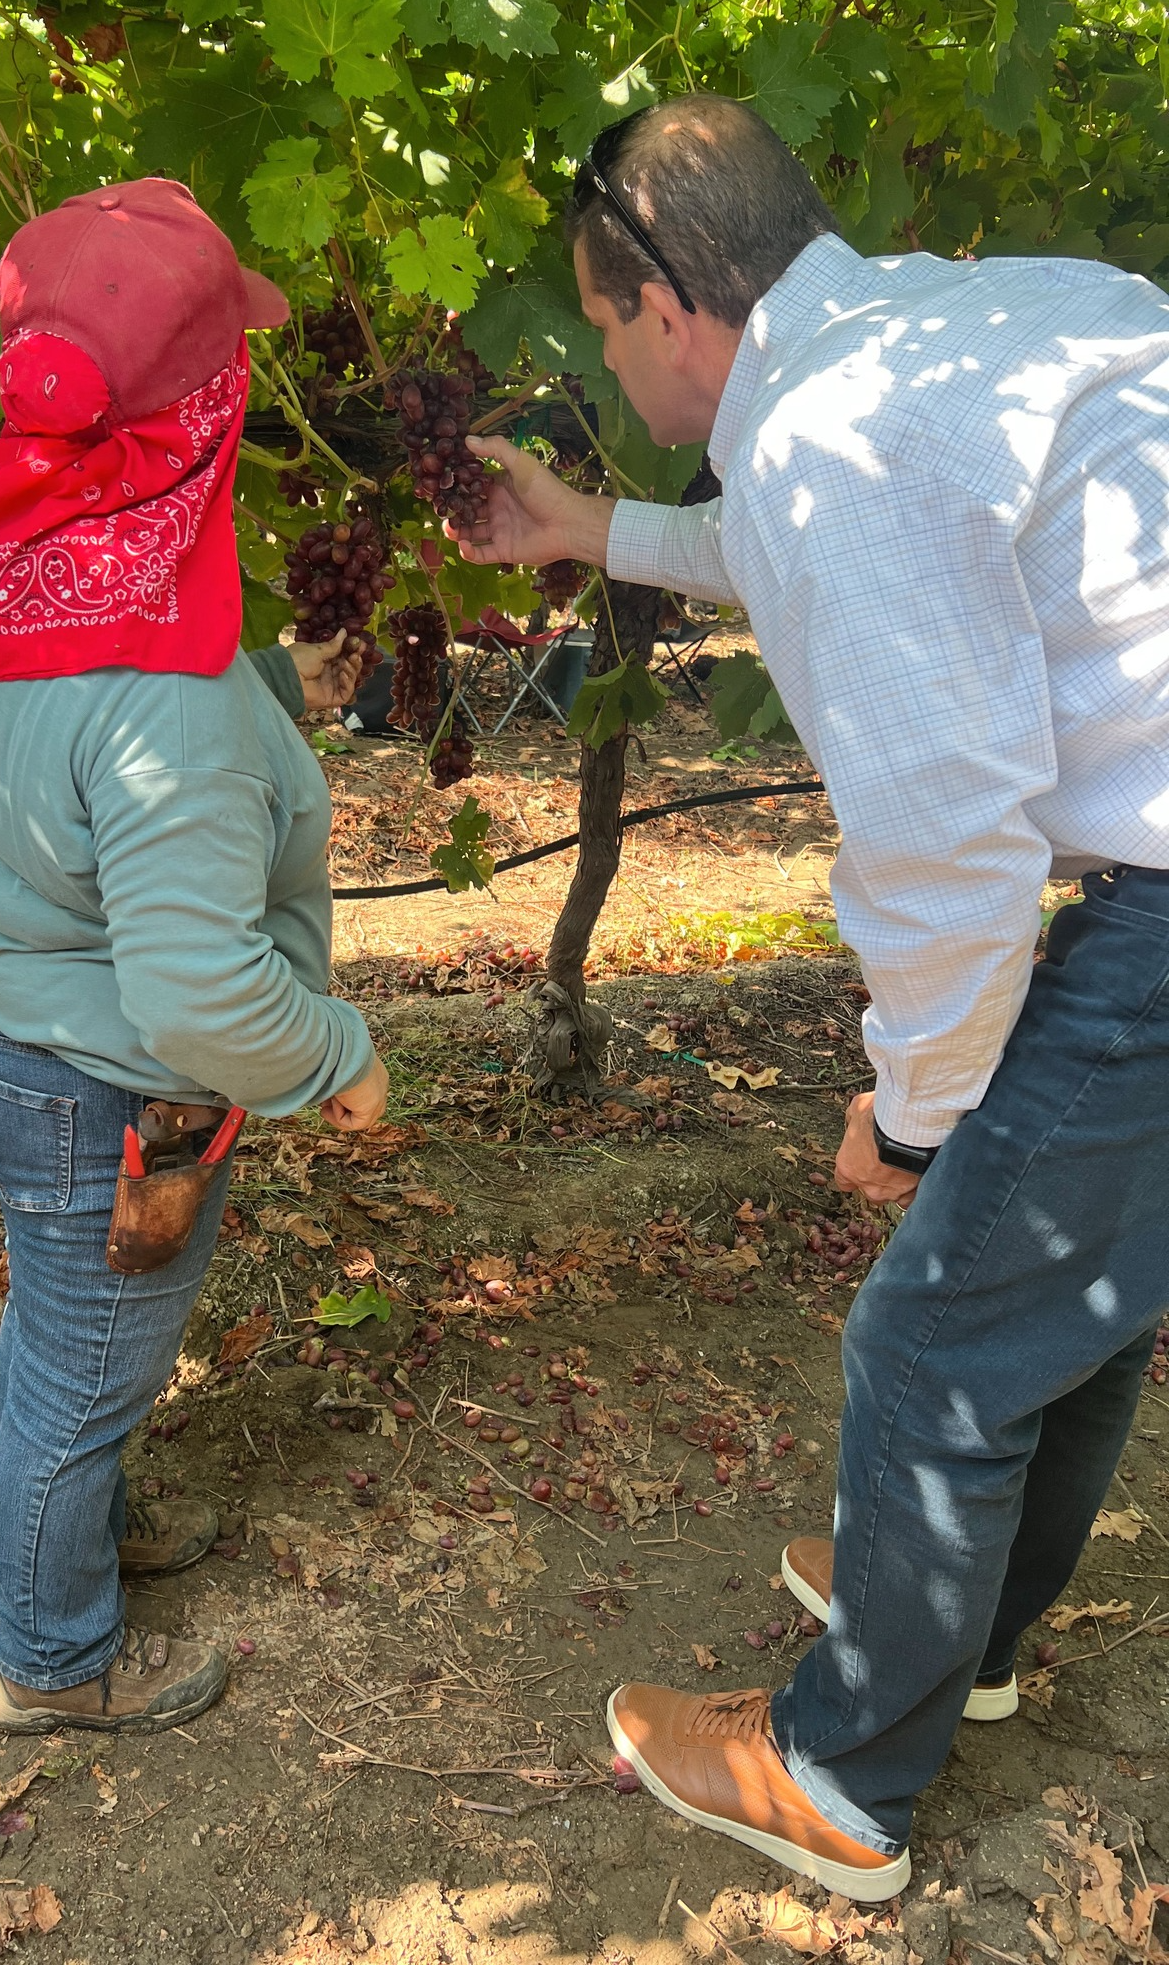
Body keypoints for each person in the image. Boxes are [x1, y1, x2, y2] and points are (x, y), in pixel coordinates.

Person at [452, 94, 1169, 1900]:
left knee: (930, 1333)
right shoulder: (977, 321)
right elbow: (825, 538)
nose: (606, 366)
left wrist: (926, 1109)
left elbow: (948, 839)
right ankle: (970, 1631)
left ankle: (846, 1772)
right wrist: (593, 530)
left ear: (669, 305)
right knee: (1069, 1288)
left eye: (601, 325)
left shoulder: (832, 438)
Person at [0, 179, 388, 1736]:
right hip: (104, 1082)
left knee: (59, 1323)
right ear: (207, 413)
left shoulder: (1, 539)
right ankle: (51, 1660)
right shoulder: (161, 702)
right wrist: (340, 1060)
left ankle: (74, 1523)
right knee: (88, 1364)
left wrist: (264, 691)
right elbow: (195, 993)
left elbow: (74, 743)